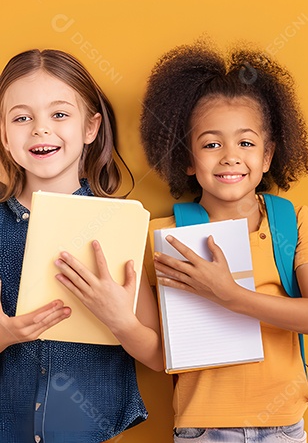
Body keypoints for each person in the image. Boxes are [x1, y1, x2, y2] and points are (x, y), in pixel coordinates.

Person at [140, 43, 308, 442]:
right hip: (202, 429)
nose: (230, 156)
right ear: (189, 160)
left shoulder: (291, 222)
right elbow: (159, 352)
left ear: (268, 156)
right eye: (212, 144)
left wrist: (230, 296)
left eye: (245, 143)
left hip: (284, 426)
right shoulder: (164, 238)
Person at [0, 48, 162, 442]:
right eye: (22, 118)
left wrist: (120, 320)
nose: (40, 129)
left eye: (59, 114)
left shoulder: (120, 225)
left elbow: (159, 355)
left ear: (90, 128)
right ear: (3, 134)